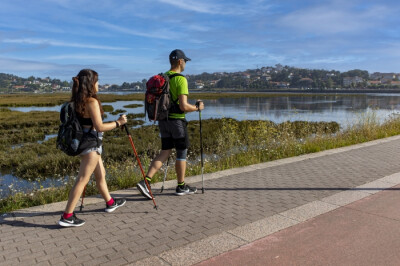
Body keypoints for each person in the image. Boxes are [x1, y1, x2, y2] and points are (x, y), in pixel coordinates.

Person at [58, 69, 128, 227]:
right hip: (91, 144)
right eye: (97, 81)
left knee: (101, 174)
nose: (99, 84)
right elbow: (100, 126)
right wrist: (119, 123)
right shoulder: (91, 101)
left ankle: (110, 203)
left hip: (84, 142)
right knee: (82, 180)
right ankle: (67, 216)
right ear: (90, 84)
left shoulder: (76, 100)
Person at [137, 49, 204, 199]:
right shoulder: (181, 79)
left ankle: (145, 182)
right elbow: (183, 107)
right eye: (185, 61)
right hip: (177, 122)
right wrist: (197, 107)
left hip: (163, 121)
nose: (186, 63)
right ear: (180, 61)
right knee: (181, 152)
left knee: (165, 151)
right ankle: (181, 186)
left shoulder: (163, 77)